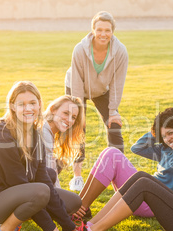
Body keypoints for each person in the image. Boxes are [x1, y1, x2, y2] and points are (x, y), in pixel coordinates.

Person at [0, 81, 77, 231]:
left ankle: (18, 220)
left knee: (71, 200)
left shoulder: (35, 133)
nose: (28, 109)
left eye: (32, 103)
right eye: (22, 104)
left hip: (16, 192)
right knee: (40, 192)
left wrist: (69, 227)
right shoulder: (1, 139)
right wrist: (49, 226)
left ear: (39, 105)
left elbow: (43, 177)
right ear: (13, 107)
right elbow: (19, 184)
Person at [72, 107, 173, 219]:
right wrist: (156, 132)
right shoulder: (164, 150)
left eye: (170, 133)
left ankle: (80, 208)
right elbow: (137, 147)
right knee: (109, 152)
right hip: (141, 194)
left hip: (155, 204)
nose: (168, 139)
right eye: (164, 136)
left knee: (112, 154)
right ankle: (79, 205)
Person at [65, 11, 128, 191]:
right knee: (77, 128)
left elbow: (118, 83)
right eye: (99, 29)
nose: (103, 34)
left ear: (112, 31)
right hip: (75, 87)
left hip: (101, 90)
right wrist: (78, 114)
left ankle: (119, 177)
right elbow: (77, 82)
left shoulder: (120, 51)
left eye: (107, 30)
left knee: (114, 125)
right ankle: (77, 176)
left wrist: (113, 110)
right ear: (93, 30)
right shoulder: (80, 49)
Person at [42, 95, 85, 213]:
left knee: (58, 163)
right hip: (28, 187)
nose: (70, 120)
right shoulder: (44, 132)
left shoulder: (50, 130)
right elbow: (50, 174)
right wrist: (63, 201)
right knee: (75, 203)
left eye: (73, 117)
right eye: (66, 113)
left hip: (37, 182)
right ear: (53, 110)